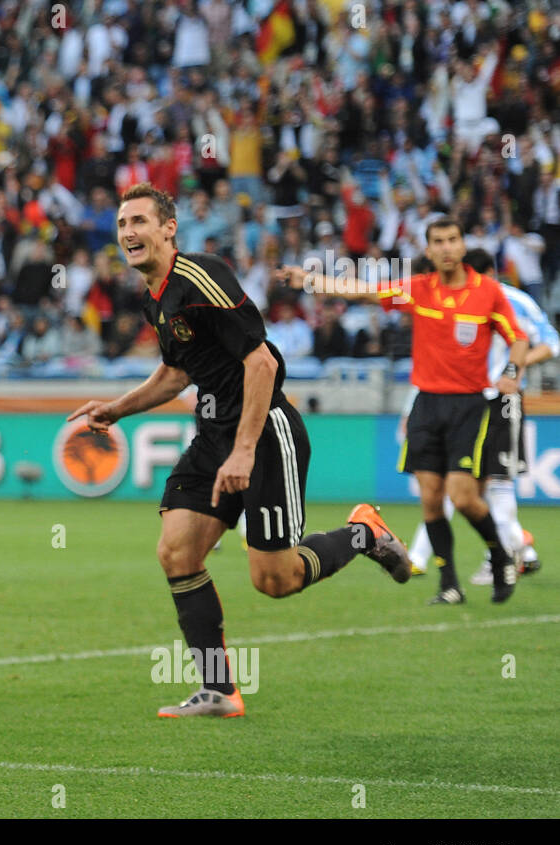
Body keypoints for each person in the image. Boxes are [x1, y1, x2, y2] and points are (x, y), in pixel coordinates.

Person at [69, 183, 411, 719]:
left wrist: (245, 450)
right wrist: (117, 408)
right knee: (177, 551)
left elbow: (262, 364)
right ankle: (219, 691)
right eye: (121, 224)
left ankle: (364, 533)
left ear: (168, 228)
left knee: (274, 580)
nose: (128, 233)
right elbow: (178, 371)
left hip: (264, 431)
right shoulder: (152, 296)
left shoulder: (202, 276)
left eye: (138, 221)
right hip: (213, 436)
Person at [279, 218, 527, 605]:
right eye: (438, 242)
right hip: (426, 403)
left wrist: (512, 371)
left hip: (469, 404)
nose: (446, 248)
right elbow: (363, 292)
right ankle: (449, 583)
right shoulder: (418, 290)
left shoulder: (488, 293)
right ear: (428, 250)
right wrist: (310, 282)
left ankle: (499, 555)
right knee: (430, 497)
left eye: (452, 239)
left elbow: (518, 339)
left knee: (463, 497)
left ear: (463, 245)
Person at [406, 248, 558, 582]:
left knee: (497, 481)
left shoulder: (512, 300)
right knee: (455, 482)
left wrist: (514, 369)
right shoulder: (450, 300)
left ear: (490, 272)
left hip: (499, 401)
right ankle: (517, 548)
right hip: (463, 401)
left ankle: (504, 554)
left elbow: (550, 342)